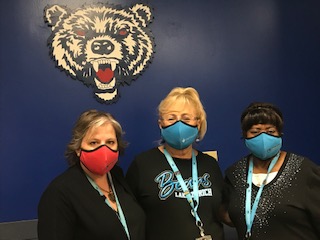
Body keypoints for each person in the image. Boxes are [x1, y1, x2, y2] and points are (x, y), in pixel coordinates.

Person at [126, 87, 225, 240]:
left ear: (198, 123)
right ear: (161, 124)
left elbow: (221, 212)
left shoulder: (210, 164)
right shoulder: (142, 164)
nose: (179, 125)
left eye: (186, 118)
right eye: (171, 118)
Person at [38, 110, 145, 240]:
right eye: (94, 142)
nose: (103, 150)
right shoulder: (59, 193)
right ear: (78, 148)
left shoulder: (117, 176)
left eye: (110, 142)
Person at [224, 102, 320, 239]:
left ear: (279, 134)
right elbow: (227, 214)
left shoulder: (304, 170)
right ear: (245, 135)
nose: (263, 138)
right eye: (255, 132)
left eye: (270, 131)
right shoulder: (234, 173)